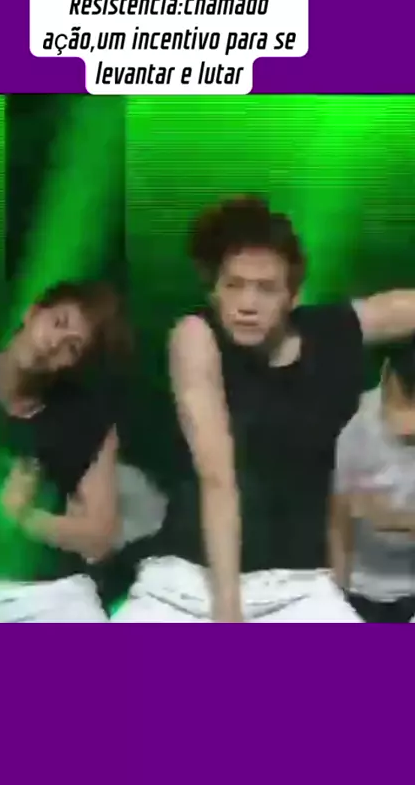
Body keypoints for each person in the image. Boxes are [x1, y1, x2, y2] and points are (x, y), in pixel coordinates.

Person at [113, 196, 415, 623]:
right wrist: (228, 613)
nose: (247, 303)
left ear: (293, 295)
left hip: (299, 585)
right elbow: (218, 478)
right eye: (233, 285)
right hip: (188, 581)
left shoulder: (329, 331)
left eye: (266, 288)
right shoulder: (196, 336)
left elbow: (398, 309)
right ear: (213, 289)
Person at [0, 280, 130, 623]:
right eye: (58, 323)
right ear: (32, 313)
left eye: (72, 348)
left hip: (46, 593)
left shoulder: (85, 421)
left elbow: (100, 538)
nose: (53, 344)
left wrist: (28, 518)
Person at [330, 342, 415, 622]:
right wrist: (338, 596)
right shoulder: (354, 423)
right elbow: (338, 524)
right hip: (359, 587)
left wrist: (395, 520)